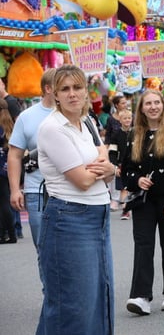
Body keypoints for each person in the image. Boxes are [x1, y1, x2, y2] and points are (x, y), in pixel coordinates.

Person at [36, 64, 117, 334]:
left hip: (98, 216)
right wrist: (104, 169)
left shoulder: (88, 122)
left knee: (98, 297)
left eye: (77, 87)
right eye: (65, 89)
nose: (72, 94)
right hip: (68, 219)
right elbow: (81, 180)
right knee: (72, 305)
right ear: (54, 93)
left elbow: (104, 163)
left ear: (86, 90)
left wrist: (107, 169)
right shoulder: (52, 128)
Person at [121, 89, 164, 315]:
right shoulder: (133, 135)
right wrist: (136, 179)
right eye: (147, 103)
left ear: (163, 106)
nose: (152, 107)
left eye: (156, 103)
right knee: (143, 246)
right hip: (143, 201)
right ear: (141, 108)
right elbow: (126, 170)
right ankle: (141, 296)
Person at [8, 68, 57, 249]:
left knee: (66, 249)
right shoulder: (26, 117)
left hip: (70, 189)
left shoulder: (74, 115)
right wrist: (15, 190)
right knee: (43, 247)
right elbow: (14, 155)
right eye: (62, 85)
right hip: (36, 190)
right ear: (48, 88)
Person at [108, 109, 133, 216]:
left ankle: (129, 206)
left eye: (129, 118)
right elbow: (112, 152)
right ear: (120, 120)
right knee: (123, 188)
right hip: (121, 165)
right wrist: (115, 166)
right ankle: (125, 209)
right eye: (125, 118)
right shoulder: (116, 135)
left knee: (132, 188)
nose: (127, 120)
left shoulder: (136, 133)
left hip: (134, 164)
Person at [0, 99, 16, 243]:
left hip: (1, 167)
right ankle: (12, 233)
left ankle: (6, 234)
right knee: (5, 201)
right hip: (7, 167)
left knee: (3, 203)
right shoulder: (9, 125)